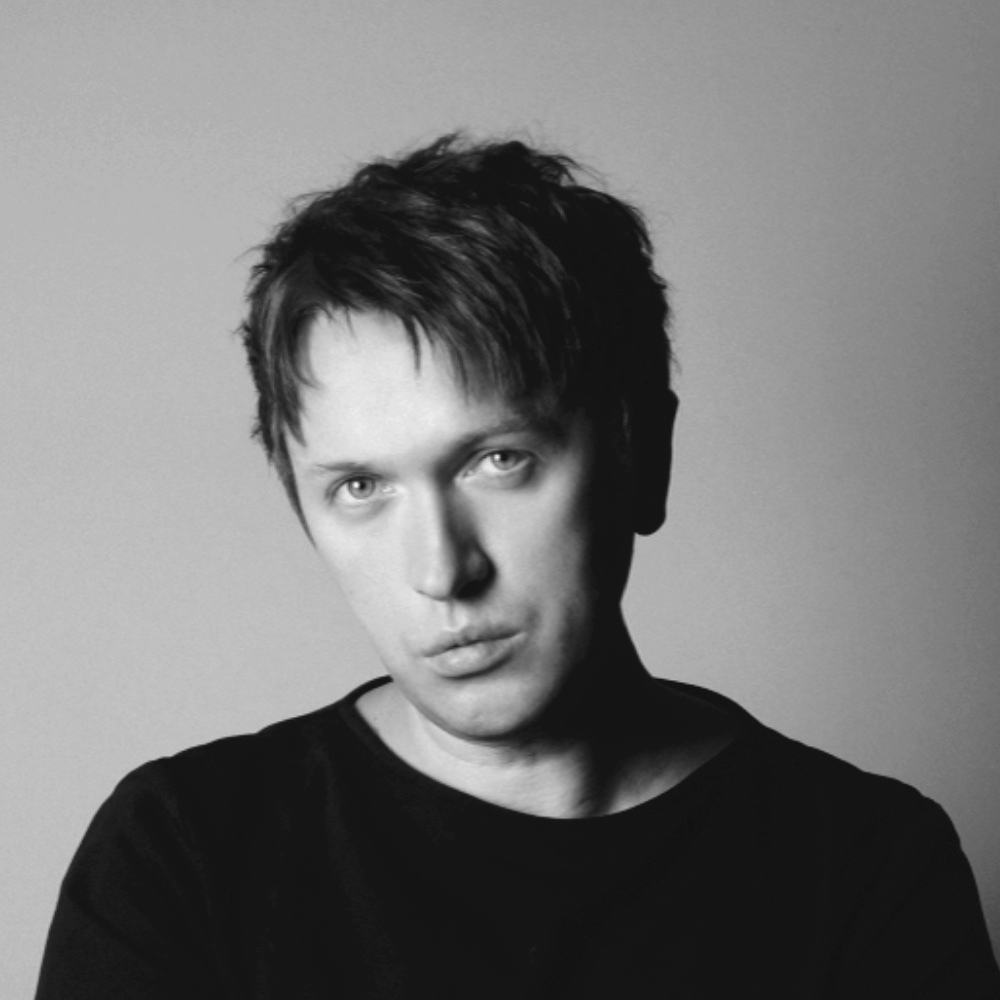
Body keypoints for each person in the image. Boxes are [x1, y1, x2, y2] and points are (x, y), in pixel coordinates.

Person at [36, 134, 999, 999]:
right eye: (360, 487)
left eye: (499, 461)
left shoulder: (864, 864)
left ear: (643, 455)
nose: (442, 570)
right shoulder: (185, 856)